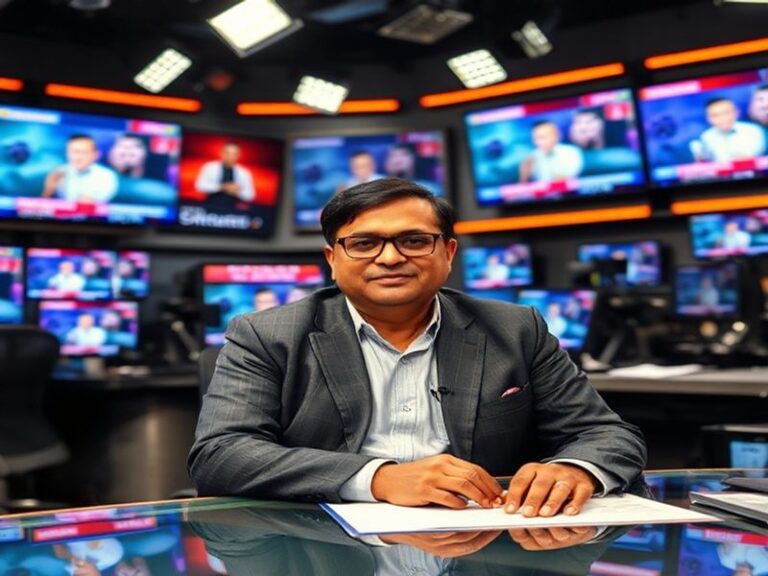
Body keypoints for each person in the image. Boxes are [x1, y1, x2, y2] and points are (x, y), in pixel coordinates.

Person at [189, 178, 646, 517]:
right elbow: (221, 454)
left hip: (485, 542)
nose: (390, 258)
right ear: (333, 260)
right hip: (324, 543)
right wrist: (379, 478)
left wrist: (575, 469)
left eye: (413, 241)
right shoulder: (266, 334)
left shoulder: (516, 329)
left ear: (448, 253)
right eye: (364, 244)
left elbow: (608, 435)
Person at [42, 134, 119, 203]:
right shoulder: (58, 172)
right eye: (73, 152)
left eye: (83, 152)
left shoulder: (106, 176)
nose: (77, 157)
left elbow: (85, 205)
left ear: (96, 155)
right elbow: (44, 204)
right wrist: (49, 190)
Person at [690, 98, 766, 163]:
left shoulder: (752, 131)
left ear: (736, 112)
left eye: (726, 113)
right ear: (708, 118)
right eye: (716, 115)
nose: (723, 118)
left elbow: (749, 158)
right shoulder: (706, 136)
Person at [519, 121, 584, 183]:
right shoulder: (530, 158)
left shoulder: (571, 152)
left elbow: (565, 180)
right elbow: (525, 186)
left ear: (557, 135)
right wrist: (525, 176)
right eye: (537, 138)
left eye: (544, 137)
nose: (541, 141)